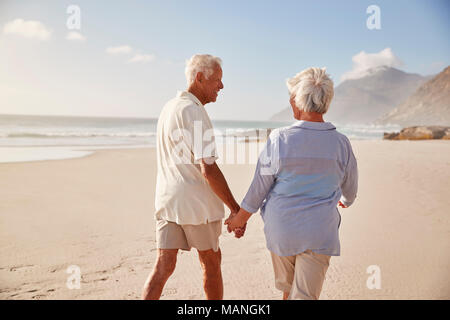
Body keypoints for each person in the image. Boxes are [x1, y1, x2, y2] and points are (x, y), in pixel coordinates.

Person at [226, 67, 358, 300]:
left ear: (298, 101)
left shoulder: (279, 139)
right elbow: (350, 189)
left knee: (289, 291)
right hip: (319, 232)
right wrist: (345, 200)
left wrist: (239, 219)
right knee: (304, 295)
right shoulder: (341, 143)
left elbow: (259, 188)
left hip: (282, 230)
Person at [142, 54, 244, 300]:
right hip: (196, 206)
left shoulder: (169, 107)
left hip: (167, 202)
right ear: (200, 78)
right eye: (217, 80)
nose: (221, 86)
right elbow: (208, 168)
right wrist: (235, 209)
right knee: (211, 261)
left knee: (163, 266)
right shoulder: (194, 111)